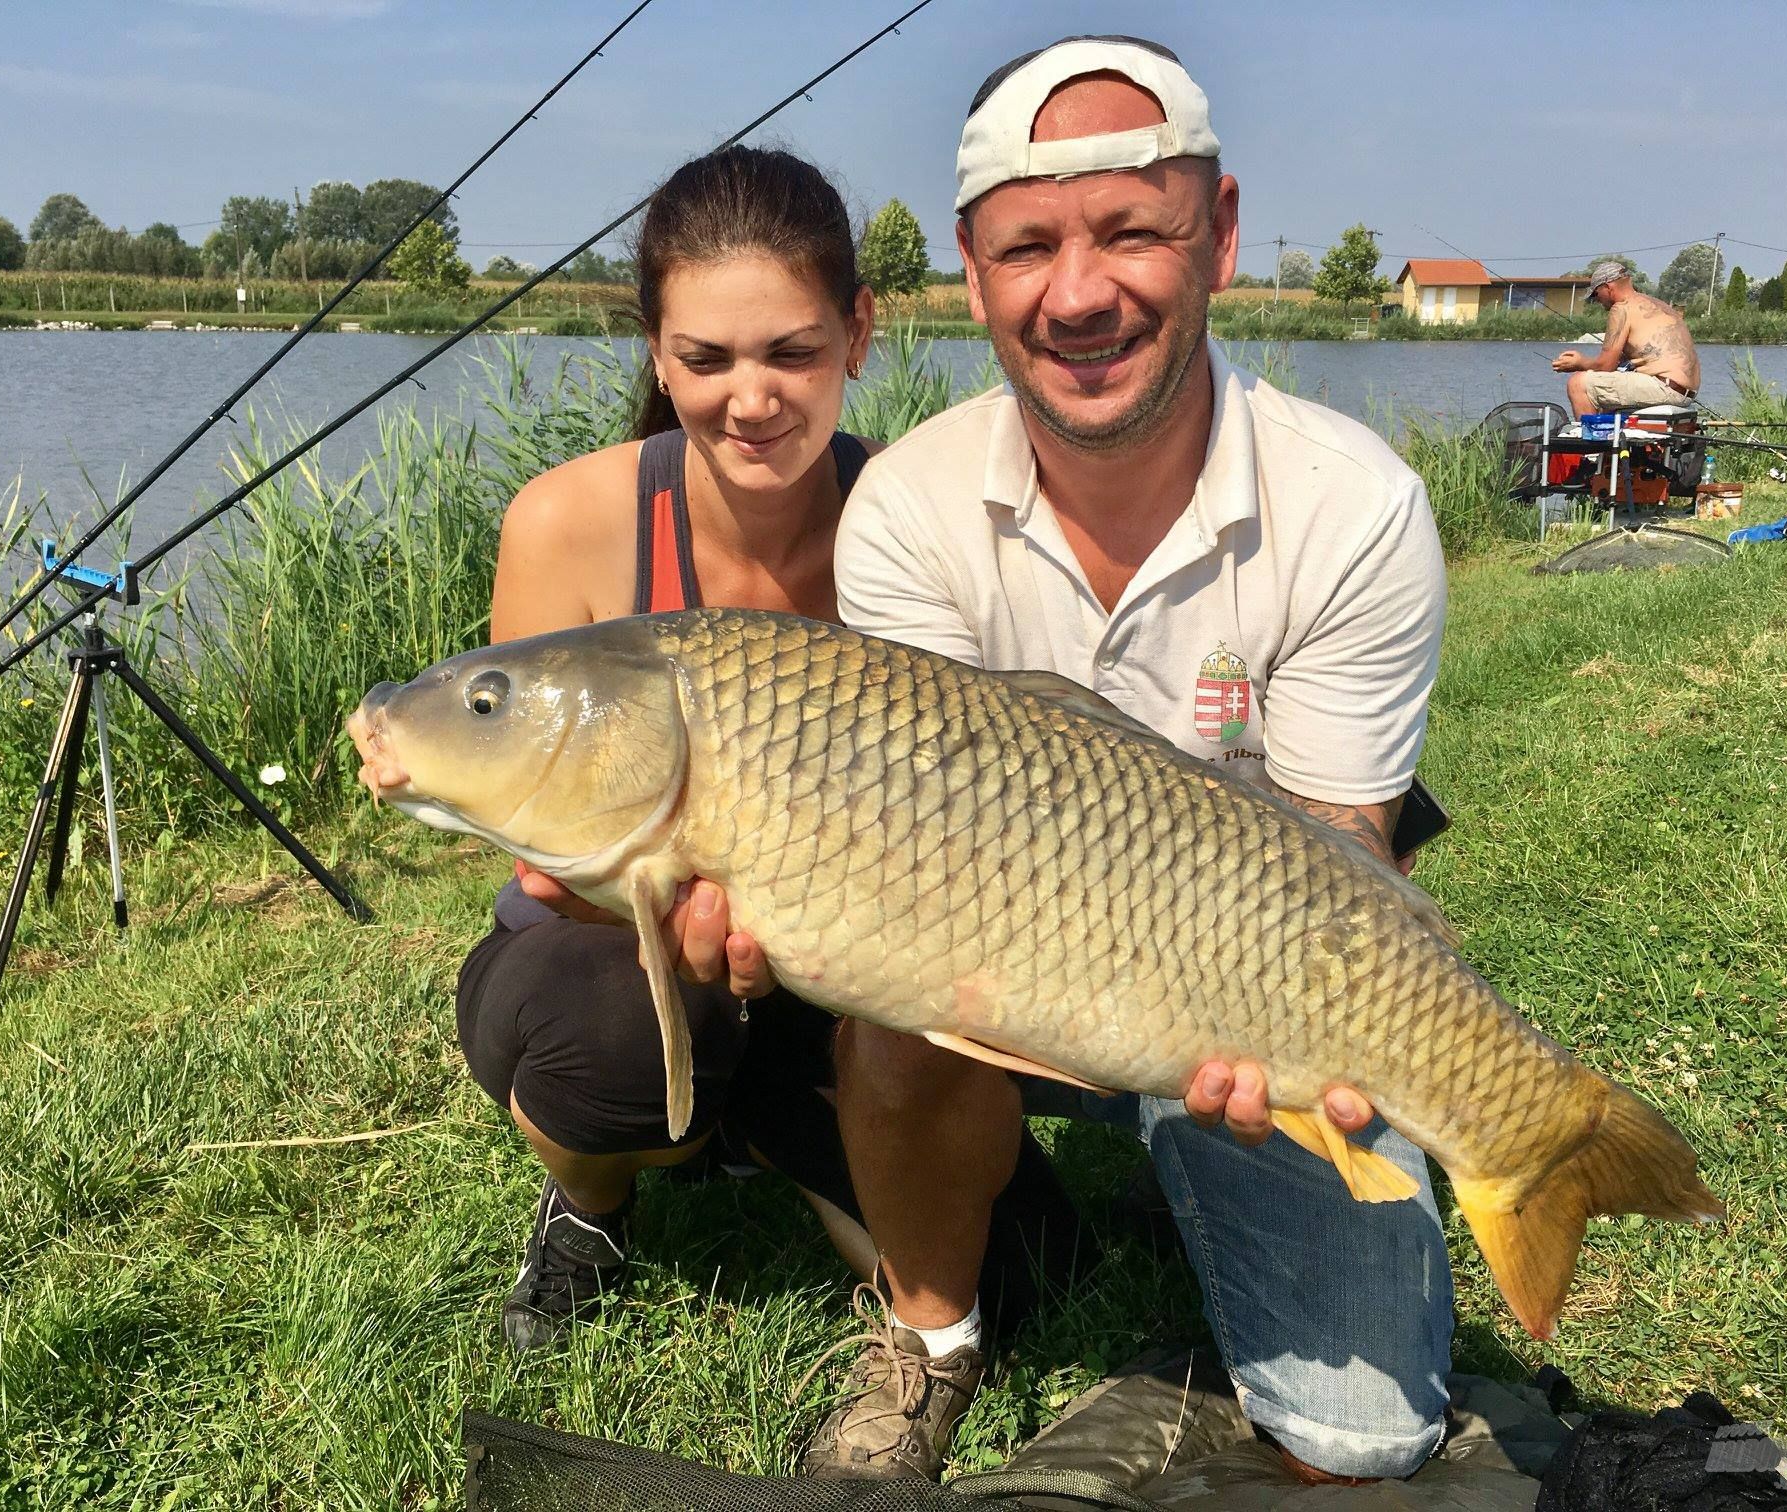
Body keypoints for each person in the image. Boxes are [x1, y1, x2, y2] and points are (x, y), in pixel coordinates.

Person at [675, 36, 1456, 1488]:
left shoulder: (1356, 505)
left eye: (1134, 231)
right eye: (1029, 247)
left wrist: (1300, 1051)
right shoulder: (908, 506)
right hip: (1002, 954)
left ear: (1217, 236)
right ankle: (932, 1338)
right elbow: (907, 828)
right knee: (891, 971)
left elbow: (1345, 846)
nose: (1080, 291)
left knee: (1372, 1434)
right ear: (974, 279)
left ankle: (1477, 1143)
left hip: (1241, 985)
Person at [452, 144, 885, 1353]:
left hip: (842, 952)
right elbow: (548, 841)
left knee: (1016, 1274)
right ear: (657, 351)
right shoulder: (567, 521)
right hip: (614, 943)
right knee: (604, 1039)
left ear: (859, 332)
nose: (752, 397)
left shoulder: (911, 520)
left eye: (793, 351)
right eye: (706, 358)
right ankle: (591, 1206)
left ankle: (762, 1121)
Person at [1552, 259, 1702, 414]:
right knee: (1607, 387)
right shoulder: (1658, 304)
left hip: (1664, 387)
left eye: (1596, 294)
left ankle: (1588, 436)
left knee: (1579, 383)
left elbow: (1606, 366)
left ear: (1607, 287)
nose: (1596, 300)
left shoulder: (1621, 308)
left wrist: (1579, 362)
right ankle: (1611, 435)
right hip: (1685, 390)